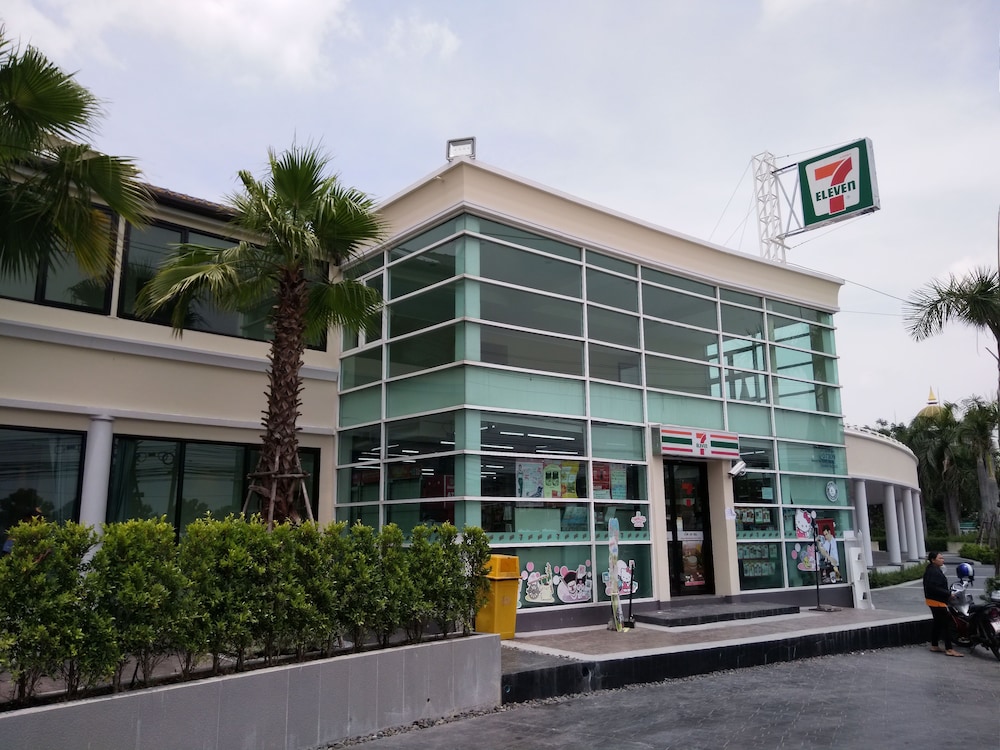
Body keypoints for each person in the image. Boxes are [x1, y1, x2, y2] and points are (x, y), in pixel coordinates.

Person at [922, 551, 963, 657]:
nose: (942, 560)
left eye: (942, 558)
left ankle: (934, 645)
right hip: (937, 602)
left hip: (933, 600)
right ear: (933, 560)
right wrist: (948, 594)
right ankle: (949, 649)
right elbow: (933, 587)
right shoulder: (933, 571)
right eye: (940, 558)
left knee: (937, 623)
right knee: (946, 624)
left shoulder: (933, 569)